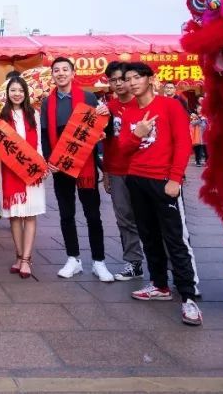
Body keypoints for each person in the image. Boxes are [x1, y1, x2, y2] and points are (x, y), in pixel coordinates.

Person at [118, 62, 202, 326]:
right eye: (127, 79)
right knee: (148, 235)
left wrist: (175, 178)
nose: (131, 83)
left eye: (136, 78)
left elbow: (183, 142)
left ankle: (188, 297)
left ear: (149, 79)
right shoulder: (130, 110)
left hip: (163, 180)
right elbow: (122, 148)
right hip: (137, 179)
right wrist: (137, 134)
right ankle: (159, 285)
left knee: (174, 239)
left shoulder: (170, 106)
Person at [42, 57, 114, 283]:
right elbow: (45, 134)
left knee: (93, 214)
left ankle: (99, 261)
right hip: (60, 165)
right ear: (52, 75)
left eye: (65, 69)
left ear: (73, 73)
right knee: (66, 214)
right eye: (56, 70)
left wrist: (105, 115)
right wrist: (48, 160)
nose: (61, 73)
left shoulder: (88, 98)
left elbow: (104, 129)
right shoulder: (47, 102)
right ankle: (73, 258)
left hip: (86, 165)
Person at [100, 61, 144, 282]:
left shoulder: (143, 104)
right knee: (124, 218)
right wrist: (106, 172)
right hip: (117, 170)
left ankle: (163, 264)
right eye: (113, 80)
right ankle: (134, 262)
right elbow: (106, 143)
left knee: (150, 218)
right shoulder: (108, 109)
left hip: (143, 170)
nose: (118, 84)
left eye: (121, 79)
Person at [0, 76, 46, 279]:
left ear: (25, 93)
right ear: (7, 94)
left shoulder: (33, 114)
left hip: (32, 170)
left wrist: (41, 164)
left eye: (20, 90)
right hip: (9, 172)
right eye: (13, 90)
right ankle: (19, 256)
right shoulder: (2, 116)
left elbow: (40, 143)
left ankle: (26, 259)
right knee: (15, 216)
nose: (16, 94)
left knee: (30, 215)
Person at [190, 97, 208, 167]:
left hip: (205, 136)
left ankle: (207, 161)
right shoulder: (194, 116)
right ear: (196, 110)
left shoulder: (206, 116)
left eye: (201, 109)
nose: (200, 110)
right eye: (199, 109)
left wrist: (205, 119)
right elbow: (193, 123)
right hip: (197, 136)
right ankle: (198, 161)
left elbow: (209, 124)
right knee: (197, 149)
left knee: (206, 150)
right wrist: (200, 119)